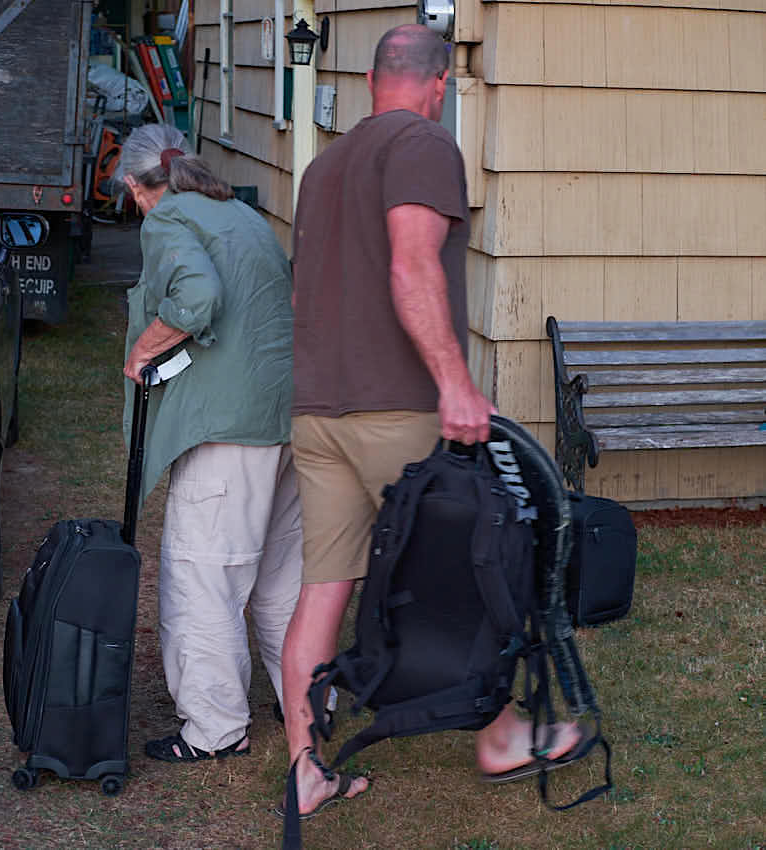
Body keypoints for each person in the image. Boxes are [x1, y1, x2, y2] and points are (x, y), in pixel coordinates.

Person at [279, 24, 587, 816]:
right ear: (438, 84)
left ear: (372, 78)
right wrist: (454, 383)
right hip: (397, 406)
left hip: (317, 411)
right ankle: (499, 735)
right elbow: (410, 265)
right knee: (471, 570)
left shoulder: (323, 167)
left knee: (323, 589)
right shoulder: (421, 145)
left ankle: (306, 768)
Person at [118, 123, 301, 763]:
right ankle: (307, 699)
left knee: (203, 578)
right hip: (284, 420)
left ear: (141, 186)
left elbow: (198, 297)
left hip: (226, 432)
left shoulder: (167, 218)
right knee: (282, 577)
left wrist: (143, 350)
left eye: (132, 196)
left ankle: (215, 729)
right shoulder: (242, 214)